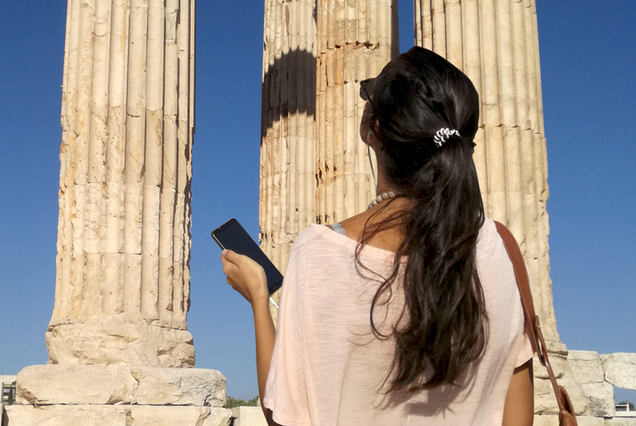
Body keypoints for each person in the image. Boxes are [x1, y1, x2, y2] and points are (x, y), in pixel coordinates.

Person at [221, 46, 534, 425]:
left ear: (374, 126)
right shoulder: (499, 247)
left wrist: (258, 297)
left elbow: (283, 417)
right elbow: (518, 419)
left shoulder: (320, 251)